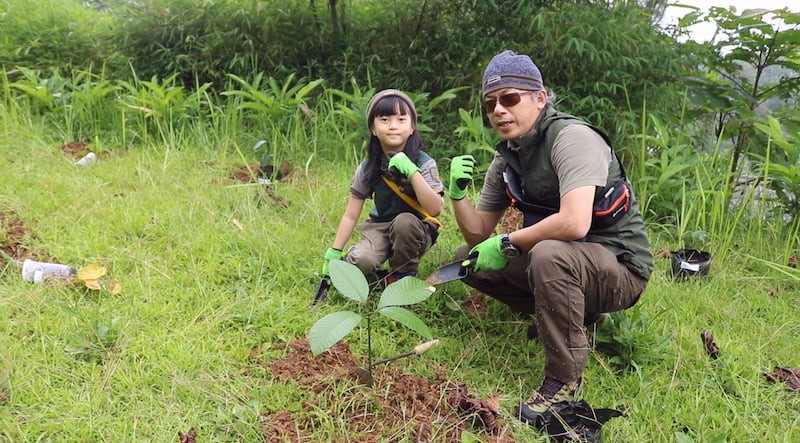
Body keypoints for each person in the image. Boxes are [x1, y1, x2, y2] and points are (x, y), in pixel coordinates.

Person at [447, 50, 652, 424]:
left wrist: (509, 242)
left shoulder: (572, 138)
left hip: (620, 269)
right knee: (469, 259)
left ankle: (563, 378)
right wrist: (458, 195)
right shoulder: (508, 155)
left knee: (548, 256)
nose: (499, 111)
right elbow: (478, 233)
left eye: (510, 98)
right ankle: (571, 318)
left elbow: (574, 223)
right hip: (569, 261)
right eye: (490, 104)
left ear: (540, 98)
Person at [322, 89, 444, 286]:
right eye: (385, 119)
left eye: (401, 119)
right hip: (380, 226)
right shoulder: (368, 166)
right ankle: (372, 271)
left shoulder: (424, 163)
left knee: (404, 221)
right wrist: (335, 251)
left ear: (412, 127)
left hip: (416, 229)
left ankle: (402, 273)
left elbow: (435, 209)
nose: (393, 126)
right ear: (373, 128)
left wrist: (413, 172)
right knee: (360, 262)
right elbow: (351, 214)